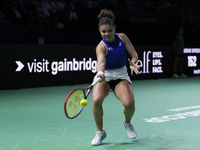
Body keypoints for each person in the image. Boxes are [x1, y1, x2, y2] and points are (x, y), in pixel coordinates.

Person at [91, 9, 140, 146]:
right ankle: (100, 132)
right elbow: (100, 62)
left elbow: (134, 55)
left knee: (129, 104)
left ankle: (127, 123)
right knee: (96, 101)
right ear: (100, 32)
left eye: (109, 31)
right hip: (105, 75)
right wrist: (100, 73)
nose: (106, 34)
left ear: (114, 29)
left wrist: (132, 63)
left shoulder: (122, 38)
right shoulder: (101, 47)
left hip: (121, 74)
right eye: (103, 32)